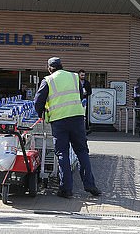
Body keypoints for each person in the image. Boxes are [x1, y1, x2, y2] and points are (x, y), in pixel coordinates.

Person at [34, 57, 101, 199]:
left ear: (49, 68)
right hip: (77, 118)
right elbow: (79, 95)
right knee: (82, 151)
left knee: (62, 153)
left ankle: (66, 189)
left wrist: (42, 114)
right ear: (62, 66)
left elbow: (38, 101)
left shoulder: (48, 80)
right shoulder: (74, 77)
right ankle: (90, 185)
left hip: (59, 121)